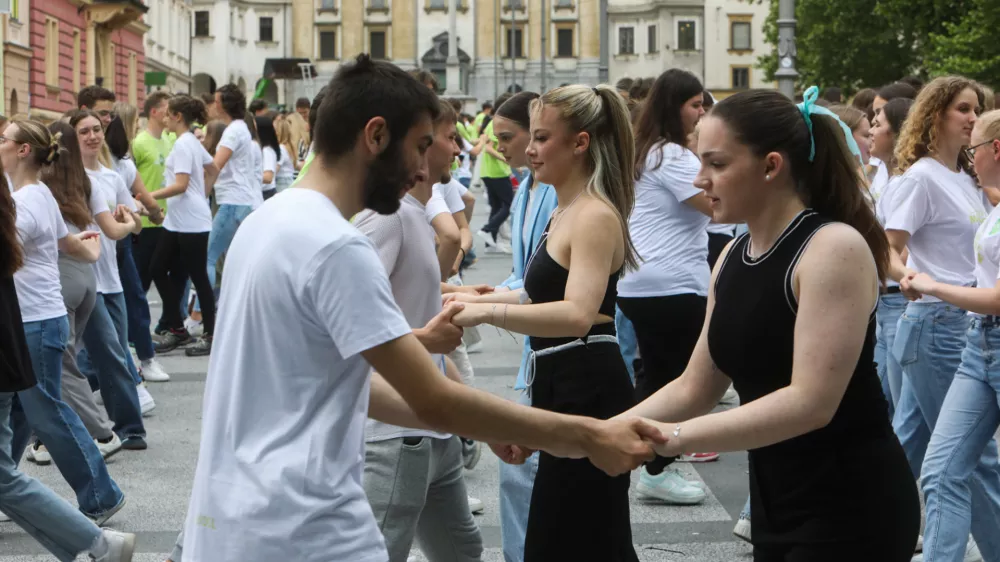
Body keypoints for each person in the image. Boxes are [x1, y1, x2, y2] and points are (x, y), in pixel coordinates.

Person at [180, 55, 664, 562]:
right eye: (421, 146)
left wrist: (490, 424)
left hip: (234, 520)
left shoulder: (268, 220)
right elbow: (432, 399)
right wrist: (587, 434)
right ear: (376, 136)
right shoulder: (337, 247)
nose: (423, 169)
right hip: (306, 526)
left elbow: (341, 381)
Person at [620, 86, 921, 561]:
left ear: (771, 165)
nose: (700, 179)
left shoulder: (832, 247)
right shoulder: (733, 257)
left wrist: (668, 440)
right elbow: (696, 385)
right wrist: (599, 432)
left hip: (850, 505)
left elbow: (810, 403)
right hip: (777, 501)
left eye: (716, 164)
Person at [447, 84, 646, 561]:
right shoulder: (566, 208)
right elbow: (540, 292)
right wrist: (463, 294)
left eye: (541, 138)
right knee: (568, 537)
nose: (530, 150)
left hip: (587, 386)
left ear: (580, 143)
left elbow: (579, 313)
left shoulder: (594, 214)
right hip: (563, 380)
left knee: (582, 538)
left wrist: (487, 311)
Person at [353, 98, 483, 562]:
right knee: (382, 551)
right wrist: (428, 340)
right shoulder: (387, 219)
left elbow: (411, 320)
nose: (457, 148)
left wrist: (471, 420)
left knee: (462, 551)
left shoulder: (414, 216)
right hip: (396, 436)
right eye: (447, 138)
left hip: (433, 435)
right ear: (421, 151)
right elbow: (349, 335)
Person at [0, 162, 136, 561]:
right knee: (34, 417)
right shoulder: (21, 200)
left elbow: (76, 241)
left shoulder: (30, 197)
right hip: (27, 331)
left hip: (35, 325)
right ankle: (95, 540)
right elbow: (72, 242)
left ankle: (97, 527)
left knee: (48, 414)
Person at [885, 76, 994, 561]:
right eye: (963, 109)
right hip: (938, 323)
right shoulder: (921, 177)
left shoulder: (968, 180)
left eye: (977, 110)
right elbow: (888, 246)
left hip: (963, 322)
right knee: (967, 461)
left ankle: (864, 522)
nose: (972, 117)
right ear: (935, 115)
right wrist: (912, 277)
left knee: (916, 445)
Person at [617, 69, 717, 505]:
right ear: (674, 106)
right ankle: (646, 462)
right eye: (695, 105)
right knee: (677, 382)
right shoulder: (673, 157)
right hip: (670, 282)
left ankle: (631, 451)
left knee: (658, 373)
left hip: (646, 281)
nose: (701, 112)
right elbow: (718, 205)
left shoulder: (649, 151)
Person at [487, 90, 558, 562]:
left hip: (560, 350)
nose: (506, 148)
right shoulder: (529, 189)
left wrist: (483, 306)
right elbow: (524, 273)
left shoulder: (561, 192)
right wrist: (480, 295)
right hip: (539, 351)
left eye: (509, 138)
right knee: (522, 471)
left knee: (522, 469)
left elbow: (544, 282)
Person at [69, 110, 150, 451]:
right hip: (79, 278)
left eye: (96, 130)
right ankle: (50, 430)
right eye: (84, 131)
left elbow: (136, 226)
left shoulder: (111, 176)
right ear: (72, 136)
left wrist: (129, 217)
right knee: (68, 359)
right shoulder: (64, 178)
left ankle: (130, 428)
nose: (92, 136)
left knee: (113, 355)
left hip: (109, 279)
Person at [148, 95, 219, 357]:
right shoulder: (189, 141)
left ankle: (210, 334)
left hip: (190, 222)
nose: (164, 119)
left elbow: (180, 184)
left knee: (198, 276)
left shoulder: (183, 145)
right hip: (178, 220)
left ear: (177, 117)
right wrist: (202, 195)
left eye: (167, 115)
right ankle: (177, 328)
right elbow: (212, 169)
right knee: (157, 267)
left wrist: (148, 196)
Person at [104, 104, 171, 384]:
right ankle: (137, 358)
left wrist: (150, 212)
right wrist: (153, 213)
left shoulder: (120, 165)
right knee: (127, 297)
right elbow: (144, 199)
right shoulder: (106, 165)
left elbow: (141, 197)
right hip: (109, 240)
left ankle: (139, 357)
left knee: (129, 295)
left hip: (119, 239)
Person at [868, 97, 914, 419]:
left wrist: (900, 272)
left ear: (898, 133)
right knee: (886, 403)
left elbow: (899, 244)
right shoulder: (884, 174)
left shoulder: (908, 180)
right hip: (886, 300)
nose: (871, 129)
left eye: (877, 123)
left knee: (902, 411)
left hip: (902, 300)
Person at [254, 115, 279, 200]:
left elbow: (268, 177)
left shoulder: (267, 151)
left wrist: (249, 175)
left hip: (266, 193)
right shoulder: (262, 149)